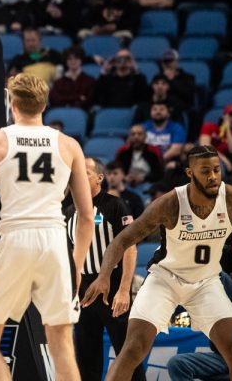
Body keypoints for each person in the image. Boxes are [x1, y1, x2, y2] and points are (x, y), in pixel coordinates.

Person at [0, 73, 94, 381]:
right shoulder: (69, 145)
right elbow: (86, 214)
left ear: (11, 103)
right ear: (44, 104)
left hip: (15, 238)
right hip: (56, 242)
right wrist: (77, 265)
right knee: (62, 347)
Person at [83, 145, 232, 381]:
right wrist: (104, 275)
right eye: (204, 171)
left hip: (206, 281)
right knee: (133, 348)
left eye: (216, 169)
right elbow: (122, 240)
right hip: (165, 279)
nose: (212, 177)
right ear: (190, 173)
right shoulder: (170, 203)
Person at [67, 158, 144, 381]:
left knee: (126, 353)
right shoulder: (70, 210)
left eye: (86, 173)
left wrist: (124, 290)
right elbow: (72, 254)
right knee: (86, 356)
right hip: (83, 290)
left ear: (100, 178)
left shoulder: (115, 205)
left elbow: (130, 248)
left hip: (113, 284)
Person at [116, 125, 164, 189]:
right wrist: (124, 177)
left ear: (145, 136)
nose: (136, 137)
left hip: (148, 184)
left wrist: (144, 178)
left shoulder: (153, 151)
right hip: (127, 184)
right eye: (133, 134)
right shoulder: (123, 152)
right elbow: (116, 169)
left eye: (139, 134)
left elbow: (159, 174)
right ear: (129, 137)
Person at [201, 105, 232, 170]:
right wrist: (224, 159)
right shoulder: (209, 126)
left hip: (220, 164)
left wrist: (228, 130)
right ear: (224, 116)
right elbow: (204, 146)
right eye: (231, 115)